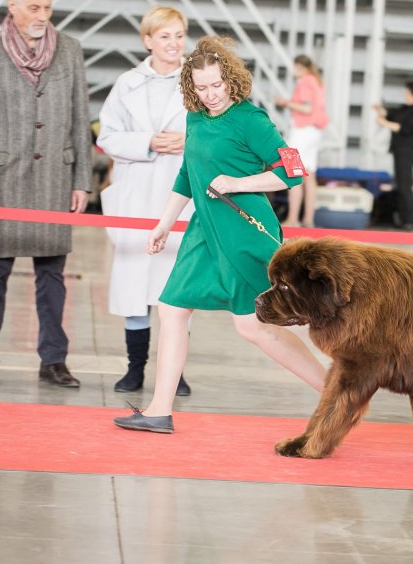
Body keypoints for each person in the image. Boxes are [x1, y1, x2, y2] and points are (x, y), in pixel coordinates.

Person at [113, 36, 327, 433]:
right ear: (190, 87)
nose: (210, 95)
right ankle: (160, 409)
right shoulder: (195, 117)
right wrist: (164, 222)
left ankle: (334, 394)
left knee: (252, 327)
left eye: (217, 85)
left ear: (231, 79)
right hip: (203, 231)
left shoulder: (253, 119)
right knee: (172, 310)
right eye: (202, 87)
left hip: (243, 233)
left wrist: (238, 182)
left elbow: (293, 170)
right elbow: (187, 175)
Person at [0, 0, 92, 388]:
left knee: (52, 275)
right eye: (34, 8)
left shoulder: (71, 51)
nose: (42, 16)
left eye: (47, 8)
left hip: (53, 179)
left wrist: (81, 179)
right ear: (12, 7)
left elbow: (81, 118)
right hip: (2, 179)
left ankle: (54, 360)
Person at [97, 6, 193, 396]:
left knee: (178, 287)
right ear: (148, 40)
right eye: (165, 36)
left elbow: (217, 130)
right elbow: (107, 136)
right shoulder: (127, 83)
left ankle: (176, 372)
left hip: (179, 193)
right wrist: (147, 142)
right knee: (135, 285)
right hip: (137, 192)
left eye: (179, 35)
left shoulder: (199, 79)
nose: (174, 43)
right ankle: (134, 368)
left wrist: (189, 142)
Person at [274, 55, 328, 228]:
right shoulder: (317, 81)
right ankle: (308, 219)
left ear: (299, 66)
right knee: (309, 176)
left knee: (293, 172)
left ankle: (292, 218)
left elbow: (306, 108)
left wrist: (286, 103)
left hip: (302, 130)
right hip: (315, 131)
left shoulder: (305, 81)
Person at [373, 80, 413, 231]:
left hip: (408, 152)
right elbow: (389, 114)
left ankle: (409, 220)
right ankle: (404, 218)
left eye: (408, 93)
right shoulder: (404, 109)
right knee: (401, 185)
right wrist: (379, 108)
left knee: (405, 186)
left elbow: (402, 128)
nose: (406, 95)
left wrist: (384, 123)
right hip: (399, 151)